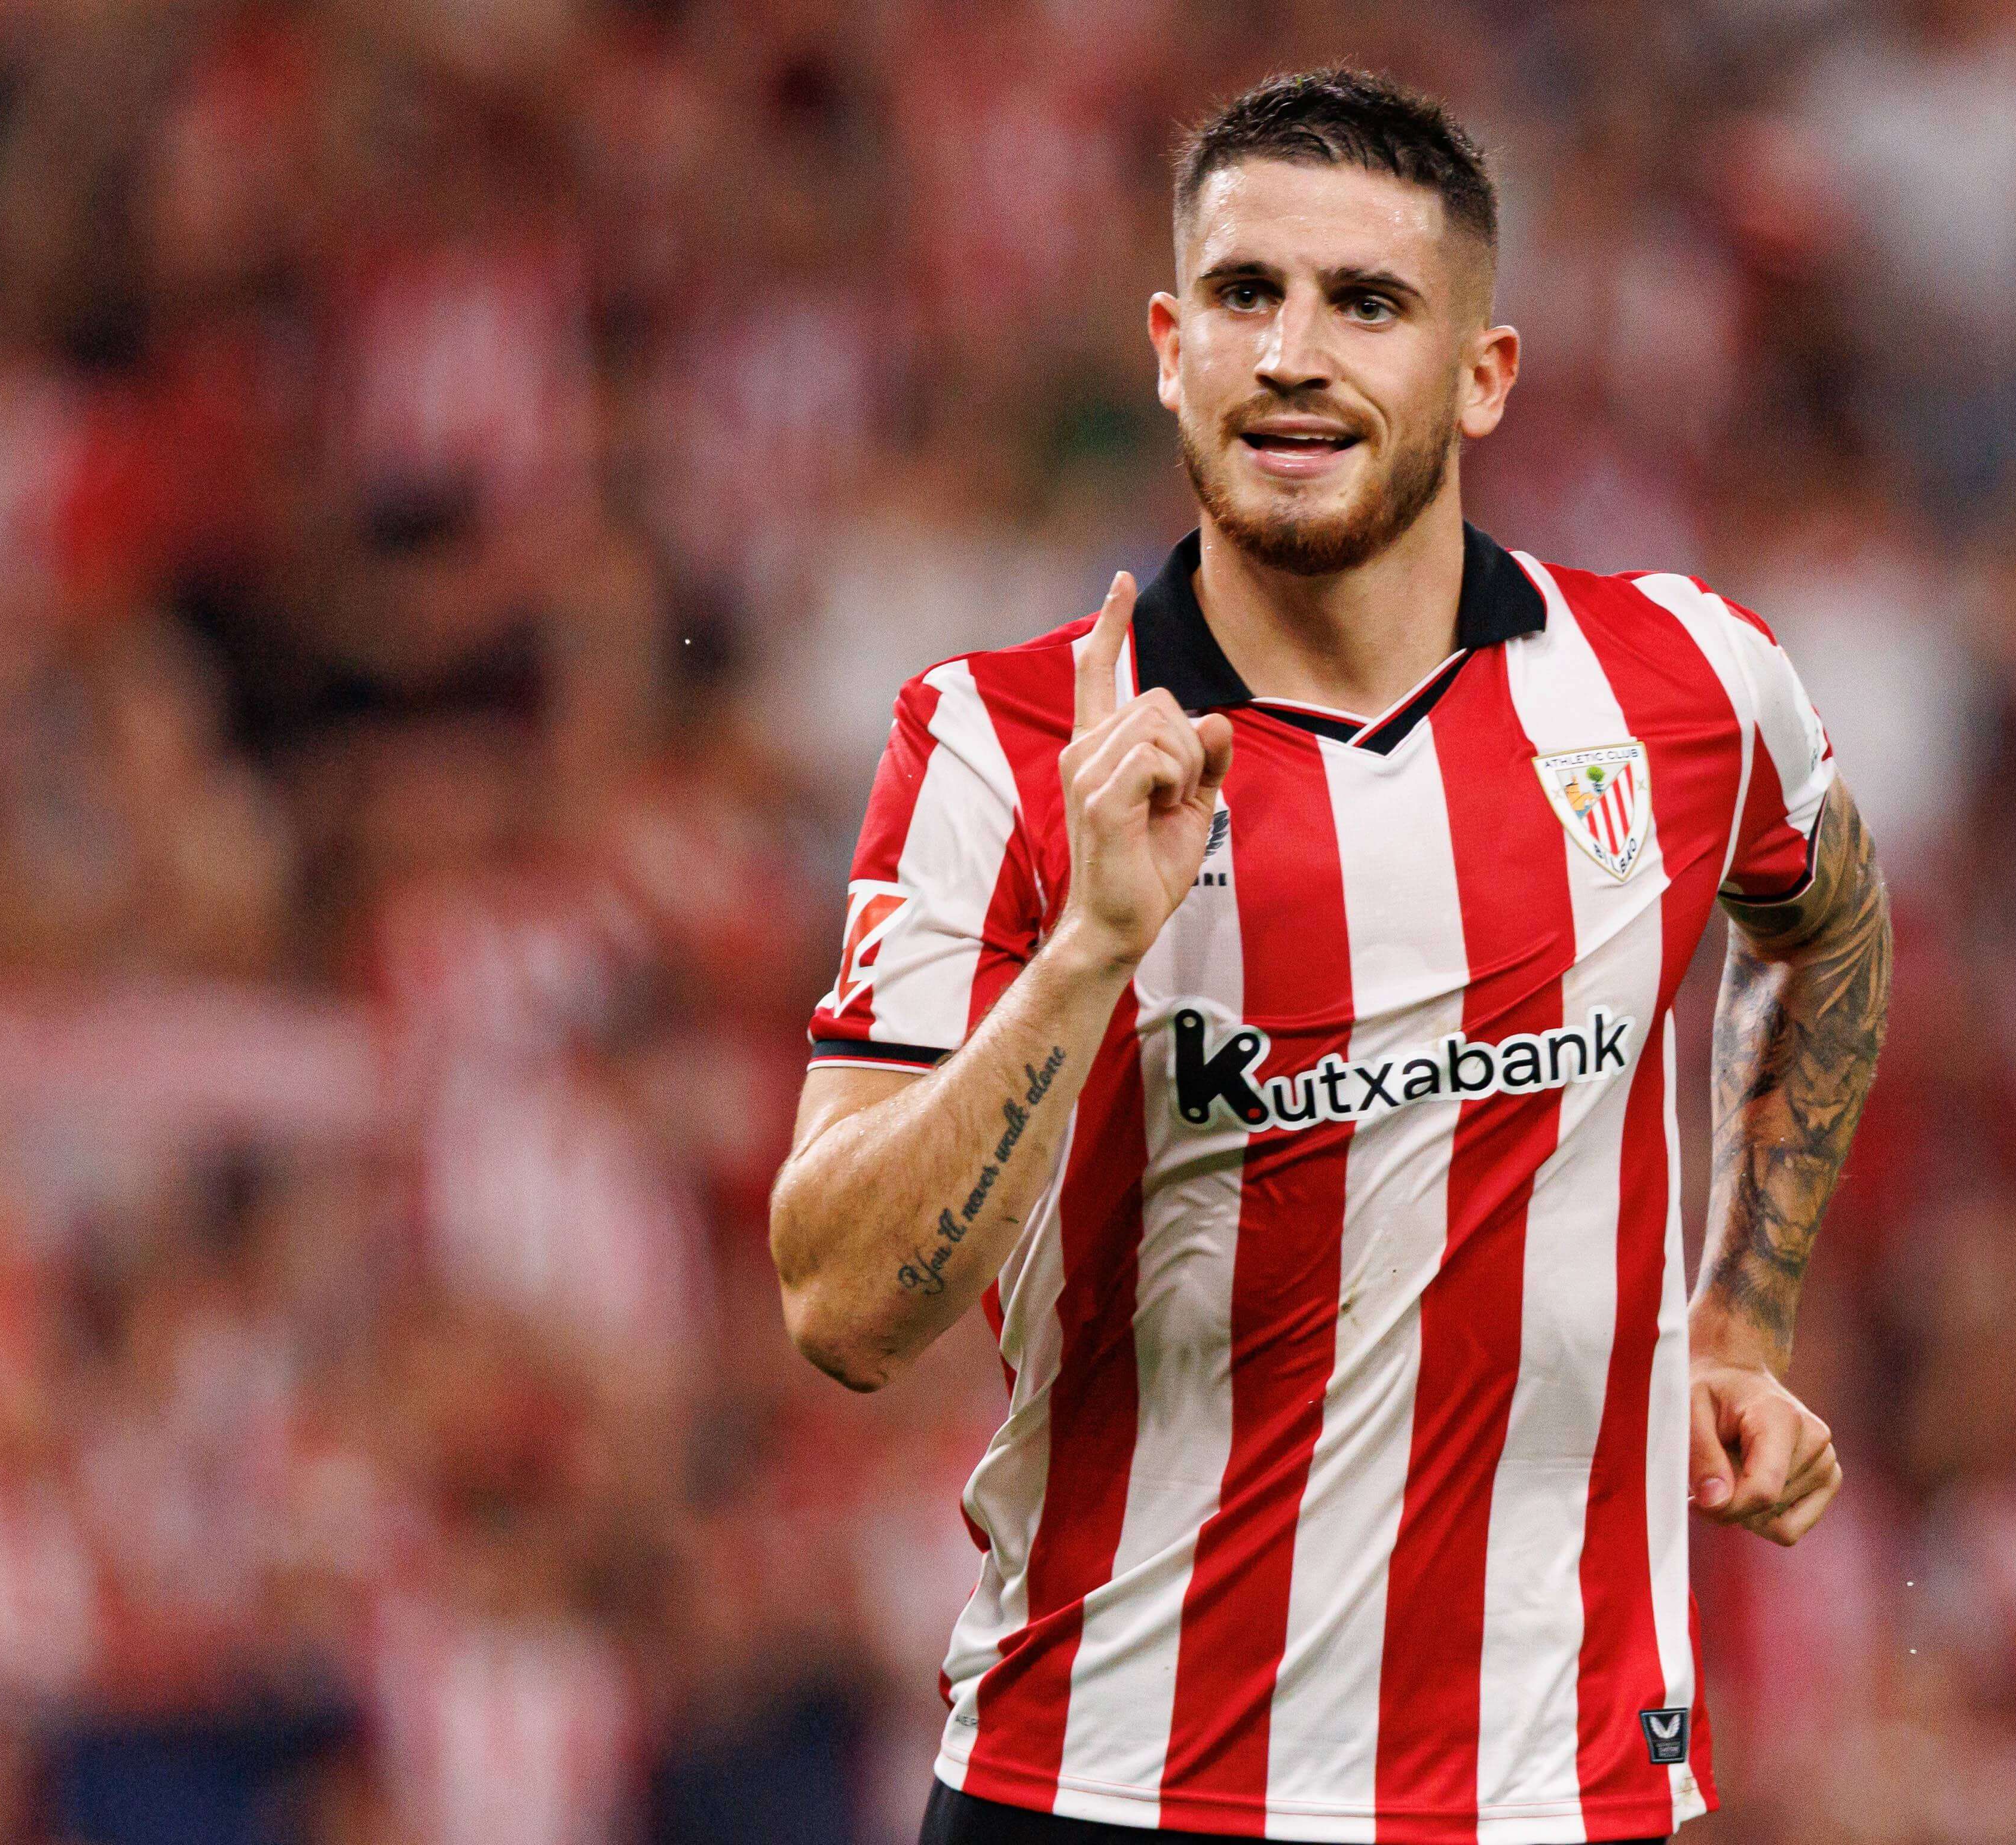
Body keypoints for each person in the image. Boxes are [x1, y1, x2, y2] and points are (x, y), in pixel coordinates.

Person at [767, 68, 1892, 1844]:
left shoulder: (1680, 689)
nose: (1293, 353)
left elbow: (1823, 922)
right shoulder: (997, 746)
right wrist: (1084, 958)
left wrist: (1737, 1316)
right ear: (1166, 345)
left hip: (1555, 1800)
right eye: (1244, 295)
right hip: (1108, 1787)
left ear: (1481, 373)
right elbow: (839, 1306)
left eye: (1365, 302)